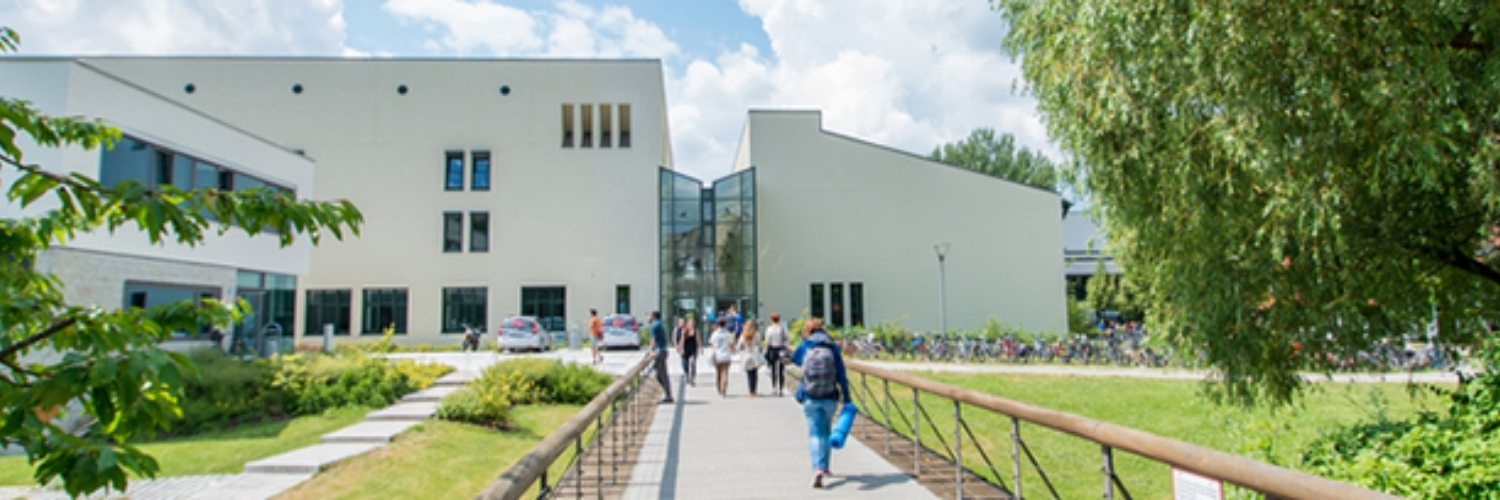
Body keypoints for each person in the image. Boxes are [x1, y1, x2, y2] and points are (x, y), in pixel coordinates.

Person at [791, 317, 851, 488]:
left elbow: (795, 358)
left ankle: (817, 468)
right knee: (826, 431)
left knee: (815, 433)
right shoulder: (832, 346)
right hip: (829, 395)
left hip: (810, 395)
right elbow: (841, 374)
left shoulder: (807, 344)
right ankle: (824, 466)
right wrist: (847, 397)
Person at [648, 311, 673, 404]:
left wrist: (651, 350)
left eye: (649, 315)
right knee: (660, 374)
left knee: (662, 375)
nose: (647, 317)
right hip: (663, 351)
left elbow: (653, 339)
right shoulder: (660, 324)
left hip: (659, 352)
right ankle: (668, 394)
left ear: (653, 316)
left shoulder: (654, 325)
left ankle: (668, 395)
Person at [763, 313, 790, 396]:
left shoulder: (769, 329)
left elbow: (767, 341)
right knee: (781, 369)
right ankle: (781, 389)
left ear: (771, 319)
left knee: (773, 369)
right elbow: (787, 339)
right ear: (779, 319)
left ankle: (774, 387)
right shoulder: (782, 328)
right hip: (781, 350)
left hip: (772, 349)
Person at [709, 318, 736, 398]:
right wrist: (733, 351)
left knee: (718, 373)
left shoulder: (714, 334)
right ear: (725, 324)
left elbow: (712, 345)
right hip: (726, 356)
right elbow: (731, 344)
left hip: (717, 356)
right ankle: (723, 389)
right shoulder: (728, 334)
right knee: (725, 373)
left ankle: (719, 388)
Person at [738, 317, 764, 397]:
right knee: (755, 374)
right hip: (755, 355)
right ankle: (754, 390)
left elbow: (740, 346)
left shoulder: (743, 335)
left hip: (746, 356)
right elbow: (760, 345)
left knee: (749, 374)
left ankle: (751, 391)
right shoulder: (757, 335)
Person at [674, 316, 699, 388]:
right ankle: (687, 376)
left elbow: (697, 339)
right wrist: (680, 348)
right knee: (685, 364)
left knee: (693, 363)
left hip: (693, 349)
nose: (692, 324)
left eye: (693, 323)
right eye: (690, 323)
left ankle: (692, 378)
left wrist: (700, 347)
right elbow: (681, 340)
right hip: (686, 349)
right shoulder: (684, 331)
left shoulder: (695, 330)